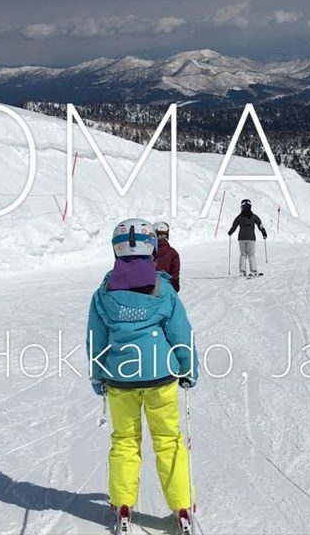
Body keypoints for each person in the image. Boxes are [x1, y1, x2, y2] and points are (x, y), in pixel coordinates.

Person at [86, 218, 198, 535]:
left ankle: (122, 504)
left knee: (124, 442)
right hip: (160, 378)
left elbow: (96, 338)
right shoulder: (163, 288)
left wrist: (97, 375)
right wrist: (188, 368)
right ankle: (181, 508)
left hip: (120, 379)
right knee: (169, 441)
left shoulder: (104, 292)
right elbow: (180, 333)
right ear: (151, 246)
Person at [227, 199, 267, 277]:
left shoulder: (239, 217)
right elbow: (260, 225)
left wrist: (230, 232)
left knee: (243, 255)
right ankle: (254, 271)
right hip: (251, 238)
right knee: (251, 254)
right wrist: (264, 233)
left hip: (241, 238)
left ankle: (242, 272)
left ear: (242, 207)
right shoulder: (254, 216)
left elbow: (234, 226)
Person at [153, 221, 181, 292]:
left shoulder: (147, 251)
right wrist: (175, 285)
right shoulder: (173, 253)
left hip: (147, 287)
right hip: (165, 288)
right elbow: (175, 273)